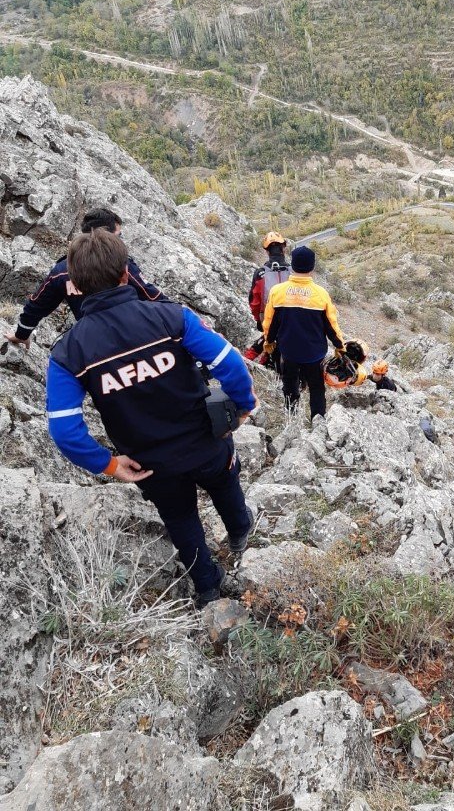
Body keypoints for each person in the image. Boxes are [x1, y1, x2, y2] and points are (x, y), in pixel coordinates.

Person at [46, 229, 256, 608]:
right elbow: (231, 365)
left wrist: (108, 464)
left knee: (180, 517)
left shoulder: (69, 351)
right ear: (126, 274)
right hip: (206, 438)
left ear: (74, 286)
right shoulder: (171, 316)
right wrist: (241, 407)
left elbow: (64, 429)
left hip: (149, 462)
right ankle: (241, 533)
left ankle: (208, 586)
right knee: (226, 481)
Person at [5, 207, 164, 349]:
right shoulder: (121, 265)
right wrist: (178, 321)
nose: (120, 241)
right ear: (105, 235)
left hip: (93, 345)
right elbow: (155, 298)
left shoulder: (62, 271)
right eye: (118, 236)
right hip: (137, 337)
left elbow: (37, 305)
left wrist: (22, 334)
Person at [263, 244, 344, 420]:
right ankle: (318, 419)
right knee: (316, 387)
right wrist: (340, 346)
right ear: (312, 266)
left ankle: (291, 415)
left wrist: (268, 342)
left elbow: (270, 323)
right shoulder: (320, 294)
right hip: (314, 353)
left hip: (289, 351)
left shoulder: (277, 292)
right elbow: (331, 325)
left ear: (292, 265)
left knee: (290, 382)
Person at [247, 232, 290, 373]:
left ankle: (249, 363)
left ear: (267, 251)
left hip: (268, 321)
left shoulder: (260, 273)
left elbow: (254, 301)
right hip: (292, 320)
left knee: (266, 342)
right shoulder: (294, 272)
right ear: (283, 248)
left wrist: (258, 320)